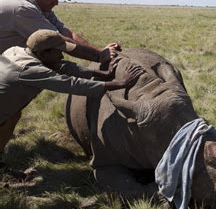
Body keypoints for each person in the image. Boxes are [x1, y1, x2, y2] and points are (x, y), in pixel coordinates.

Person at [0, 29, 143, 176]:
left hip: (7, 108)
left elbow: (62, 66)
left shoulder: (17, 51)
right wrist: (120, 83)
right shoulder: (29, 69)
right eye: (58, 51)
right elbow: (71, 84)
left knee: (11, 119)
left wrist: (100, 74)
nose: (61, 55)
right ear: (44, 53)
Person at [0, 0, 119, 61]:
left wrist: (100, 50)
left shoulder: (39, 4)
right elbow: (58, 40)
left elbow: (65, 32)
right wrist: (99, 56)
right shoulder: (22, 8)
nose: (56, 3)